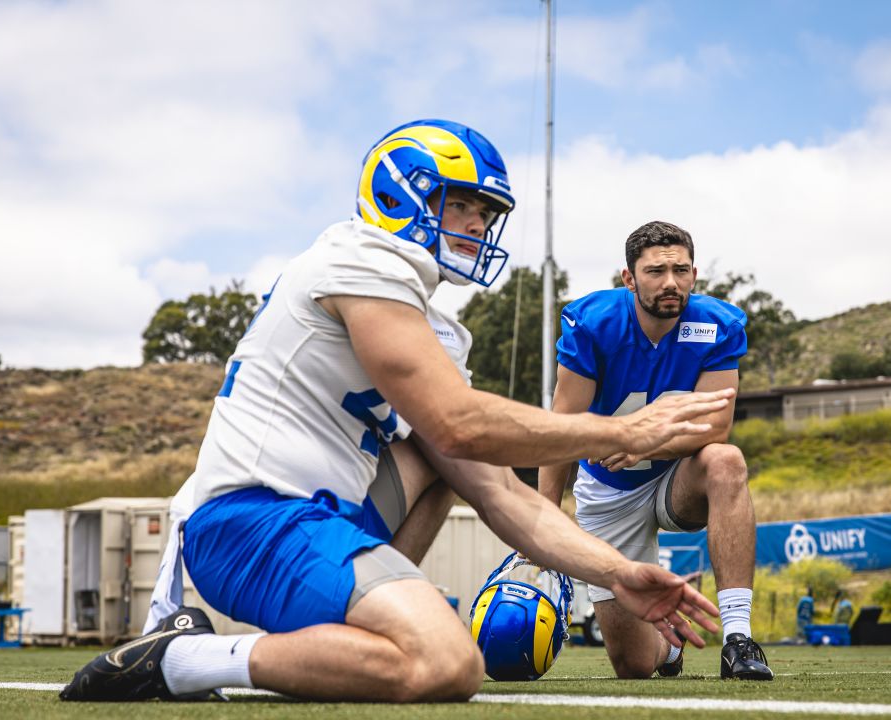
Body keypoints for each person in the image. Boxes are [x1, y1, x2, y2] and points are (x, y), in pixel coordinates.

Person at [60, 120, 730, 704]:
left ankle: (344, 626)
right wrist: (621, 430)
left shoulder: (428, 322)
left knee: (455, 468)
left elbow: (505, 496)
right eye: (462, 204)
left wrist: (618, 573)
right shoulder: (358, 260)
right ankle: (179, 658)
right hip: (255, 519)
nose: (478, 224)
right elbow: (459, 422)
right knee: (445, 661)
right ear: (399, 194)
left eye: (486, 213)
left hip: (324, 514)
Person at [537, 220, 774, 681]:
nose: (670, 282)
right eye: (655, 271)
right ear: (629, 278)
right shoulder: (595, 324)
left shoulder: (716, 325)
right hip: (609, 488)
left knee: (726, 460)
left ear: (694, 273)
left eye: (681, 270)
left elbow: (716, 425)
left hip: (676, 477)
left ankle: (738, 638)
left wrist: (643, 440)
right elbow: (562, 429)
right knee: (633, 666)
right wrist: (541, 521)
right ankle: (668, 649)